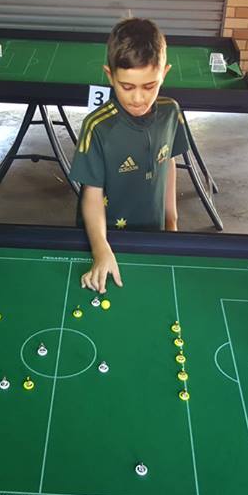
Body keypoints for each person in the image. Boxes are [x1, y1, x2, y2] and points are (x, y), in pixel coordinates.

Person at [69, 18, 189, 293]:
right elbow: (91, 194)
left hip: (153, 232)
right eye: (127, 87)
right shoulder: (97, 127)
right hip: (103, 237)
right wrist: (101, 249)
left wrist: (171, 221)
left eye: (149, 86)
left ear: (164, 73)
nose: (138, 99)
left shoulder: (171, 112)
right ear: (109, 75)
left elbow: (169, 163)